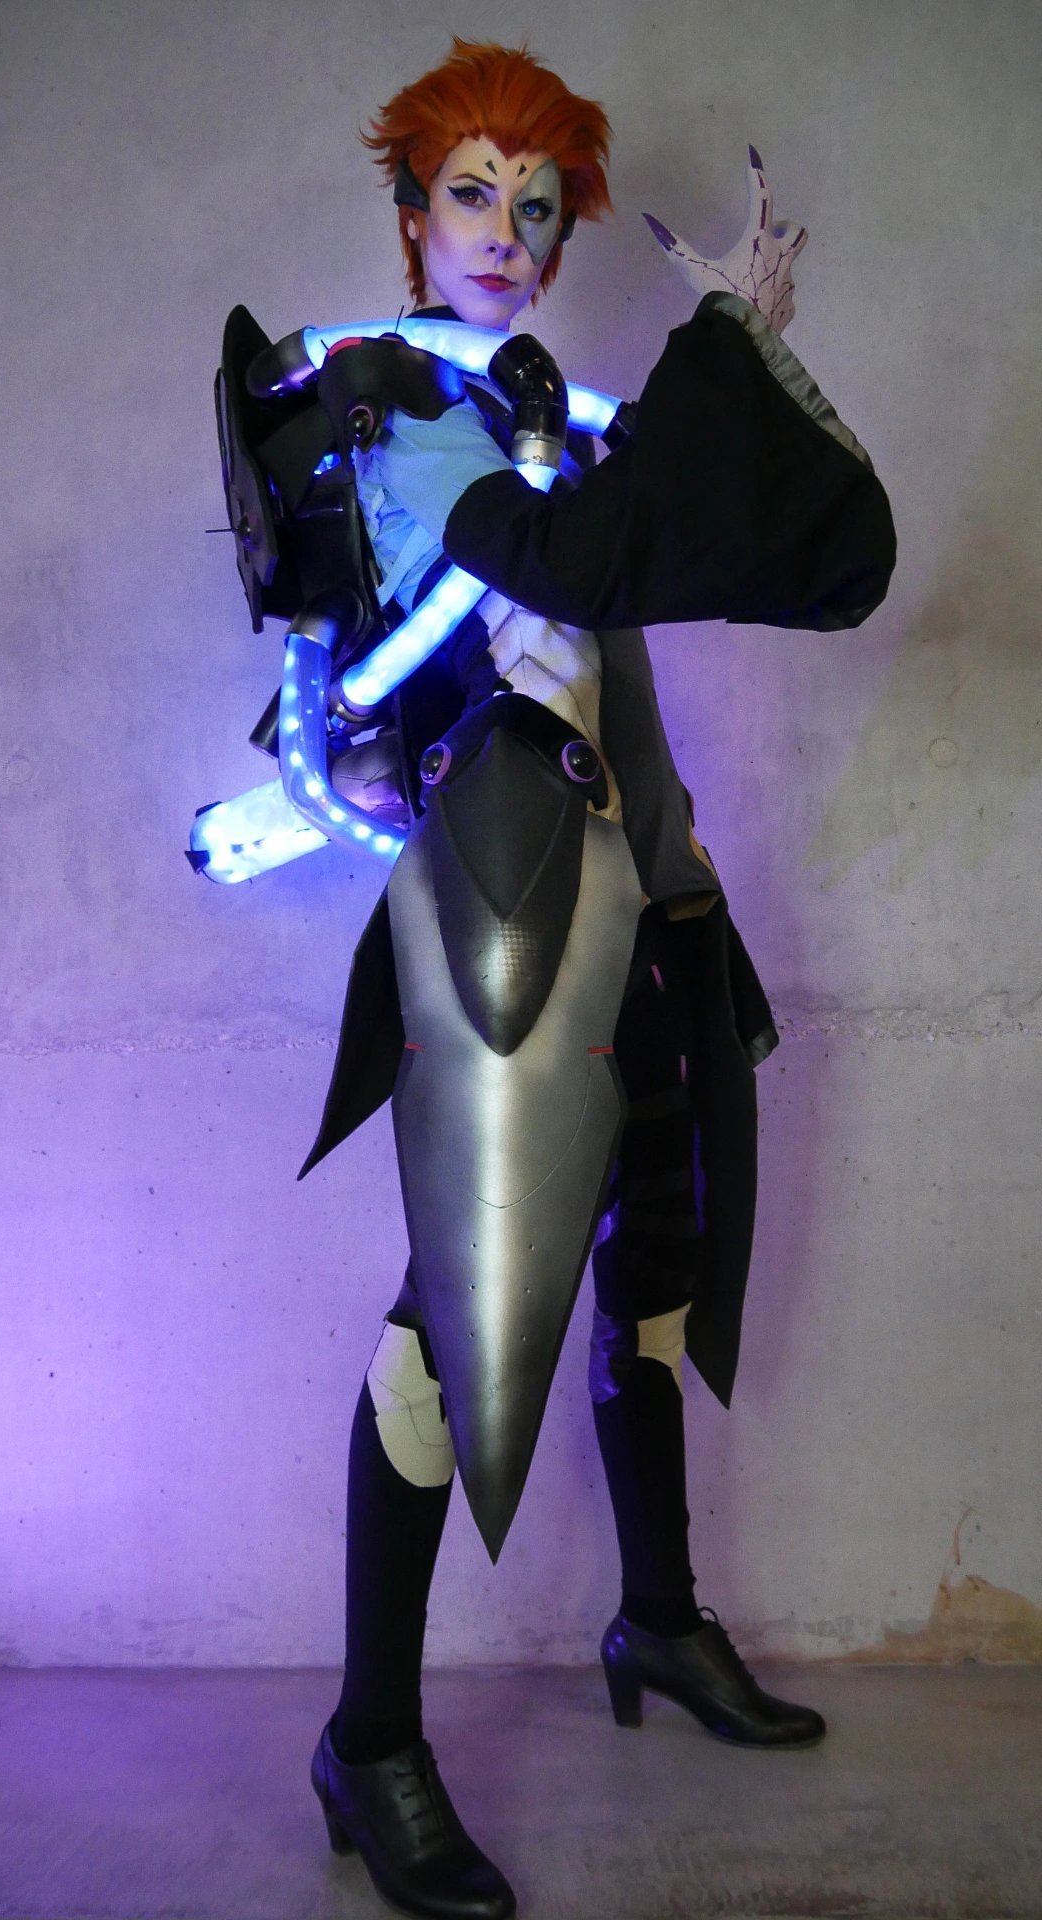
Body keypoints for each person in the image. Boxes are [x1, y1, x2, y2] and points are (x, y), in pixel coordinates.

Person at [298, 37, 896, 1920]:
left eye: (536, 204)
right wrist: (721, 356)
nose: (507, 228)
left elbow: (698, 572)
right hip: (501, 921)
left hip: (645, 900)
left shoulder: (560, 417)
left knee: (656, 1262)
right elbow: (554, 562)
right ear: (413, 216)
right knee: (454, 1317)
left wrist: (743, 365)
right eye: (473, 192)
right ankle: (370, 1740)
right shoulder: (397, 412)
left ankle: (657, 1620)